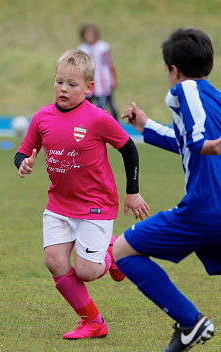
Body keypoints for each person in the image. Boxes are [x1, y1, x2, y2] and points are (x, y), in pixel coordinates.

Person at [14, 49, 149, 339]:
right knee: (55, 262)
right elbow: (24, 150)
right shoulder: (42, 117)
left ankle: (113, 251)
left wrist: (133, 193)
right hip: (59, 205)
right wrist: (23, 162)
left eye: (72, 84)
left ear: (89, 88)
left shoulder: (98, 118)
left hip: (95, 206)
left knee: (86, 271)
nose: (63, 88)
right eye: (59, 81)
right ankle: (93, 321)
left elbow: (129, 149)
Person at [113, 28, 219, 351]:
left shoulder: (185, 89)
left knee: (122, 252)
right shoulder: (216, 97)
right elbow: (188, 143)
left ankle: (190, 321)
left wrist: (208, 144)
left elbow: (197, 139)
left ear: (173, 70)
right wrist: (146, 126)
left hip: (203, 210)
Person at [78, 23, 119, 121]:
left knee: (106, 105)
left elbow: (110, 64)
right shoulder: (82, 48)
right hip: (89, 81)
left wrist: (113, 80)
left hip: (103, 82)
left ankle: (117, 124)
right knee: (87, 106)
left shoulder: (103, 47)